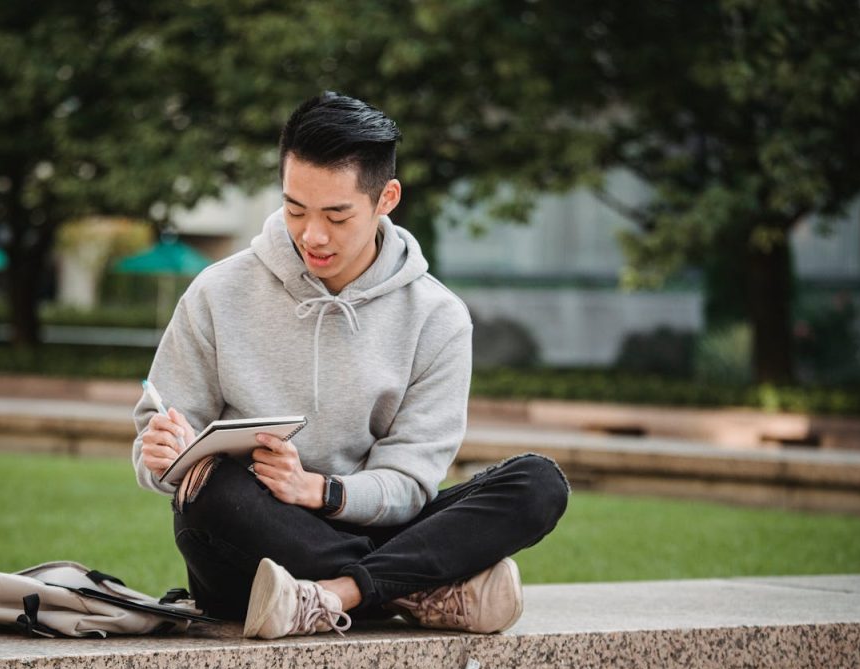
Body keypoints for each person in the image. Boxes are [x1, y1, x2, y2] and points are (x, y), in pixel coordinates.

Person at [132, 91, 570, 640]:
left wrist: (321, 491)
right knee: (207, 488)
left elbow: (411, 482)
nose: (312, 235)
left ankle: (336, 596)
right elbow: (163, 443)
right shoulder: (217, 292)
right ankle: (416, 588)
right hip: (249, 546)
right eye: (295, 209)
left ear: (386, 198)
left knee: (537, 483)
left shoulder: (438, 317)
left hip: (364, 522)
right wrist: (160, 455)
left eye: (337, 215)